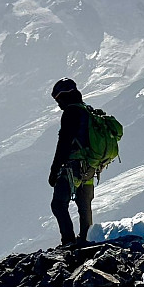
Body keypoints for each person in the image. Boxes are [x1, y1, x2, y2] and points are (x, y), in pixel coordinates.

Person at [48, 77, 96, 247]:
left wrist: (54, 171)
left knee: (58, 204)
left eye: (58, 99)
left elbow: (64, 144)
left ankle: (68, 241)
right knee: (84, 206)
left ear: (63, 95)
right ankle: (86, 239)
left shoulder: (70, 113)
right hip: (90, 166)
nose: (58, 104)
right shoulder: (87, 110)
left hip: (72, 166)